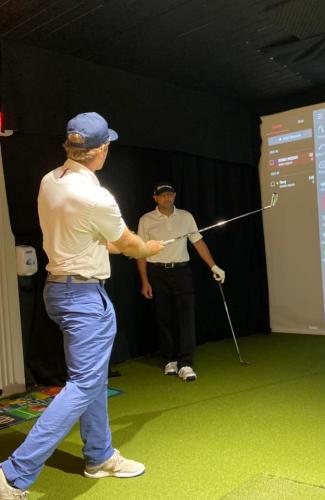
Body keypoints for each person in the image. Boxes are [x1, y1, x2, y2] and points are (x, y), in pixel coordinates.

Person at [0, 112, 164, 499]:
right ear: (101, 150)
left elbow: (87, 234)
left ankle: (99, 456)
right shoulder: (96, 196)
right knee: (84, 384)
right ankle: (13, 475)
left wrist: (119, 244)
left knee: (92, 381)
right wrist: (150, 247)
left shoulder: (49, 180)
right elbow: (131, 244)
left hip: (57, 290)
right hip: (82, 298)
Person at [136, 182, 225, 382]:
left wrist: (213, 266)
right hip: (156, 272)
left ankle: (185, 363)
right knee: (163, 317)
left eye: (171, 194)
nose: (168, 198)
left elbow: (198, 242)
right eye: (163, 195)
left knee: (186, 317)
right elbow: (140, 252)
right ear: (155, 198)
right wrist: (145, 281)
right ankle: (169, 359)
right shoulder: (146, 220)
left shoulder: (186, 217)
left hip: (182, 271)